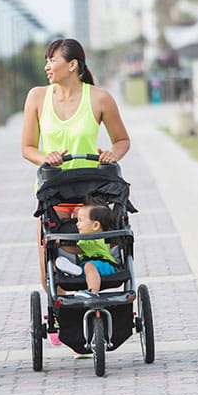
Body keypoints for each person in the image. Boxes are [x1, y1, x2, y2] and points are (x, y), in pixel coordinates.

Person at [21, 38, 130, 346]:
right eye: (45, 60)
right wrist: (46, 158)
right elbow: (27, 147)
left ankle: (94, 311)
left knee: (93, 256)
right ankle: (65, 317)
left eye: (51, 60)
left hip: (92, 197)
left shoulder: (100, 98)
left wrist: (112, 155)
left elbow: (122, 140)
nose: (46, 66)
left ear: (73, 65)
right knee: (51, 264)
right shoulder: (37, 97)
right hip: (53, 194)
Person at [55, 203, 117, 296]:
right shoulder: (85, 239)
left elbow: (76, 249)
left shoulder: (96, 239)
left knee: (89, 265)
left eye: (80, 220)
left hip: (104, 265)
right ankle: (73, 271)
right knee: (86, 267)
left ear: (95, 225)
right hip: (87, 267)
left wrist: (61, 245)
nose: (77, 224)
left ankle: (93, 291)